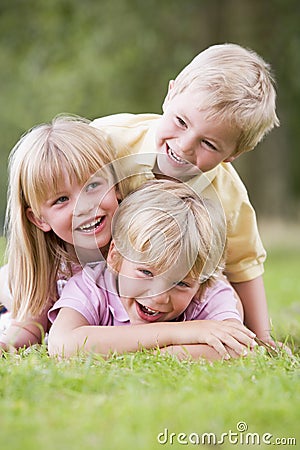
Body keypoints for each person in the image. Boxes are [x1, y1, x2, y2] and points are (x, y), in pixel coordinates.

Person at [90, 43, 280, 347]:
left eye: (209, 144)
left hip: (158, 289)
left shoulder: (227, 196)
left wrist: (262, 336)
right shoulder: (106, 141)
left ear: (234, 154)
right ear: (170, 95)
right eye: (181, 122)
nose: (185, 145)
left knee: (222, 291)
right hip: (84, 268)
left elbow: (244, 265)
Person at [48, 180, 257, 361]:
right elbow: (63, 344)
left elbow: (237, 350)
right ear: (115, 257)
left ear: (201, 285)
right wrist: (183, 333)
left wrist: (133, 353)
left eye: (181, 283)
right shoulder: (92, 286)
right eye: (146, 273)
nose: (158, 298)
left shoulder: (208, 293)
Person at [0, 115, 130, 352]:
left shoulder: (139, 243)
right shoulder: (53, 266)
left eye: (93, 186)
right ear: (39, 219)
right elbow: (30, 327)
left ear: (116, 185)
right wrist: (6, 344)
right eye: (61, 199)